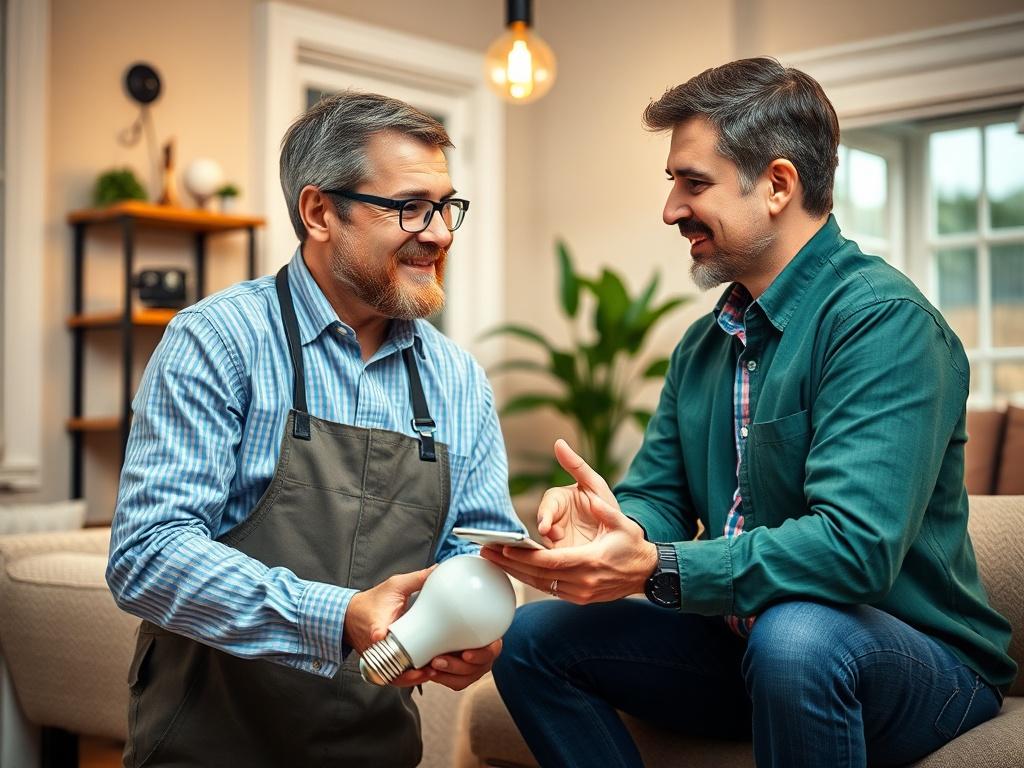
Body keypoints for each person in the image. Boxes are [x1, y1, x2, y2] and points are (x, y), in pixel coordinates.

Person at [483, 57, 1016, 768]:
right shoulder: (707, 344)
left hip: (912, 661)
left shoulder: (884, 324)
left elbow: (853, 550)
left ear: (777, 184)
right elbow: (658, 495)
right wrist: (615, 527)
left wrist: (654, 567)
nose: (672, 209)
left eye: (692, 183)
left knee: (797, 636)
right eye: (673, 182)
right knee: (533, 641)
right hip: (752, 651)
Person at [106, 91, 523, 767]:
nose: (442, 232)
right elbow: (147, 555)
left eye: (448, 207)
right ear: (319, 211)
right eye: (411, 207)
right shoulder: (217, 342)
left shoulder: (458, 381)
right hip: (207, 745)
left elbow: (471, 553)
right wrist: (335, 618)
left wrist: (478, 621)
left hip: (377, 750)